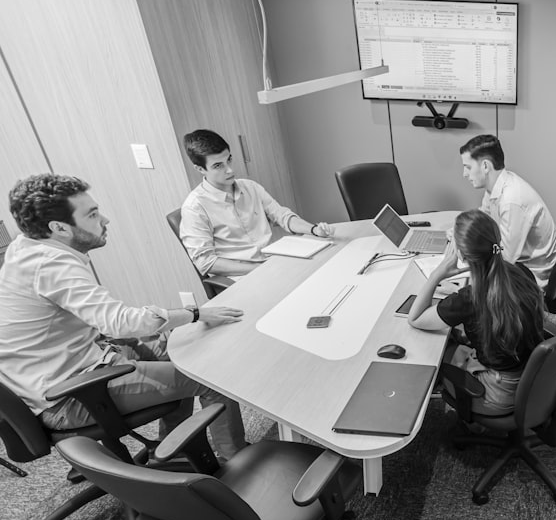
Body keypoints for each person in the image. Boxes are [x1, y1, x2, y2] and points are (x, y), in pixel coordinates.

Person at [0, 174, 247, 457]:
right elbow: (120, 322)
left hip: (79, 363)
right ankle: (238, 462)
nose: (105, 220)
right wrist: (195, 313)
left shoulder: (25, 247)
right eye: (92, 214)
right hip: (70, 396)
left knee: (182, 349)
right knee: (212, 379)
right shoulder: (51, 264)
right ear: (58, 228)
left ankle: (174, 452)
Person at [408, 209, 544, 415]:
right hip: (530, 374)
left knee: (431, 351)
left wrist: (437, 274)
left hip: (498, 393)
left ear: (461, 255)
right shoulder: (519, 271)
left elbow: (415, 318)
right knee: (454, 335)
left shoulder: (470, 298)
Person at [179, 129, 334, 277]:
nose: (229, 170)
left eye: (229, 160)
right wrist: (261, 270)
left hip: (273, 263)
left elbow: (281, 216)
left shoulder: (250, 187)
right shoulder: (194, 208)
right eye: (218, 166)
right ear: (200, 169)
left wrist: (314, 230)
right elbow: (206, 262)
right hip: (242, 276)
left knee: (325, 270)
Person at [459, 134, 556, 291]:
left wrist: (474, 254)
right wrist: (460, 234)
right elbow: (483, 218)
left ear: (485, 166)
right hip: (520, 259)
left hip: (530, 274)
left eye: (468, 167)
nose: (464, 174)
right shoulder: (496, 185)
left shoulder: (512, 200)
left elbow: (506, 257)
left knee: (468, 290)